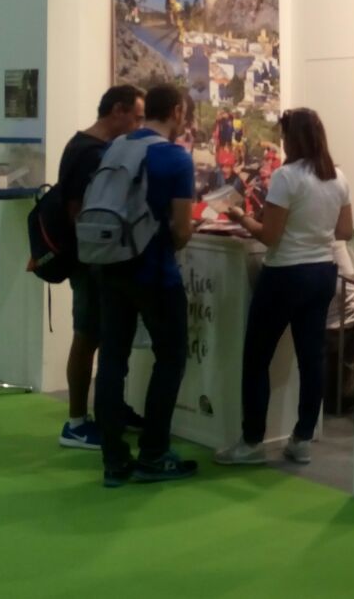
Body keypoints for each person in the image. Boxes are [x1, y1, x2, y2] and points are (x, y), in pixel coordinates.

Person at [215, 109, 354, 467]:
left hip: (285, 275)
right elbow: (343, 231)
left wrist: (240, 217)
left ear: (293, 139)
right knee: (312, 359)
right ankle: (302, 438)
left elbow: (269, 235)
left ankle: (251, 441)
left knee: (257, 358)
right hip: (322, 271)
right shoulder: (337, 178)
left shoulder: (286, 177)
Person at [95, 83, 199, 486]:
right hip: (154, 272)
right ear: (176, 110)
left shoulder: (117, 147)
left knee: (112, 362)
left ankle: (113, 460)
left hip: (111, 266)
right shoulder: (174, 158)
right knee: (171, 357)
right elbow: (183, 230)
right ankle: (154, 452)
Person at [57, 86, 146, 449]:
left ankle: (112, 407)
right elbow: (79, 210)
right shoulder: (88, 152)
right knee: (87, 336)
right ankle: (76, 422)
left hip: (100, 258)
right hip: (91, 260)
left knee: (109, 336)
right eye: (137, 117)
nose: (140, 125)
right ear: (119, 110)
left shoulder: (90, 148)